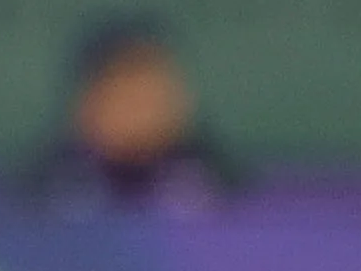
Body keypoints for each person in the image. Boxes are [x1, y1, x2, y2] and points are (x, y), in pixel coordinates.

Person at [30, 20, 232, 213]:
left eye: (151, 95)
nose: (140, 112)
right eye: (122, 95)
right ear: (85, 104)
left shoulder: (215, 188)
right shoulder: (49, 196)